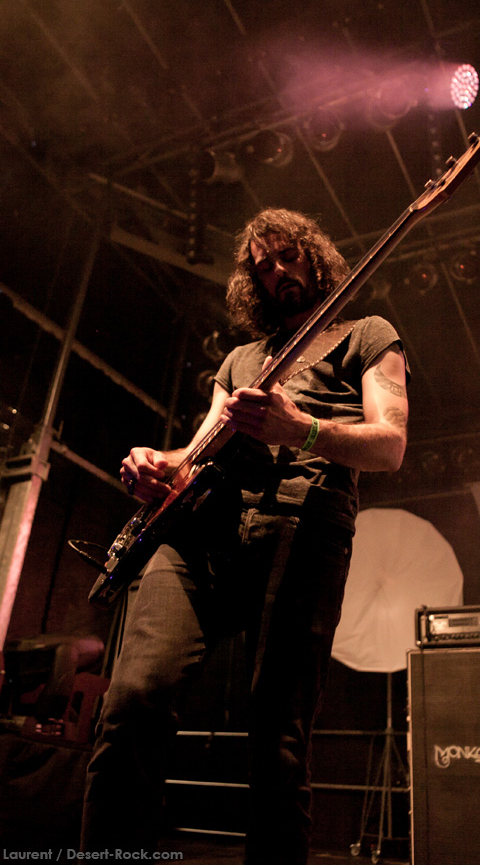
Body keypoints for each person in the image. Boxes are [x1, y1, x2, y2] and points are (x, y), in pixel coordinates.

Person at [80, 208, 409, 865]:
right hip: (203, 531)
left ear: (314, 256)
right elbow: (195, 451)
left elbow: (391, 444)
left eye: (288, 256)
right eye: (263, 266)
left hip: (303, 527)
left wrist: (301, 430)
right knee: (134, 699)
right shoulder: (241, 360)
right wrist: (156, 462)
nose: (278, 271)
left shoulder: (368, 333)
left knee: (277, 739)